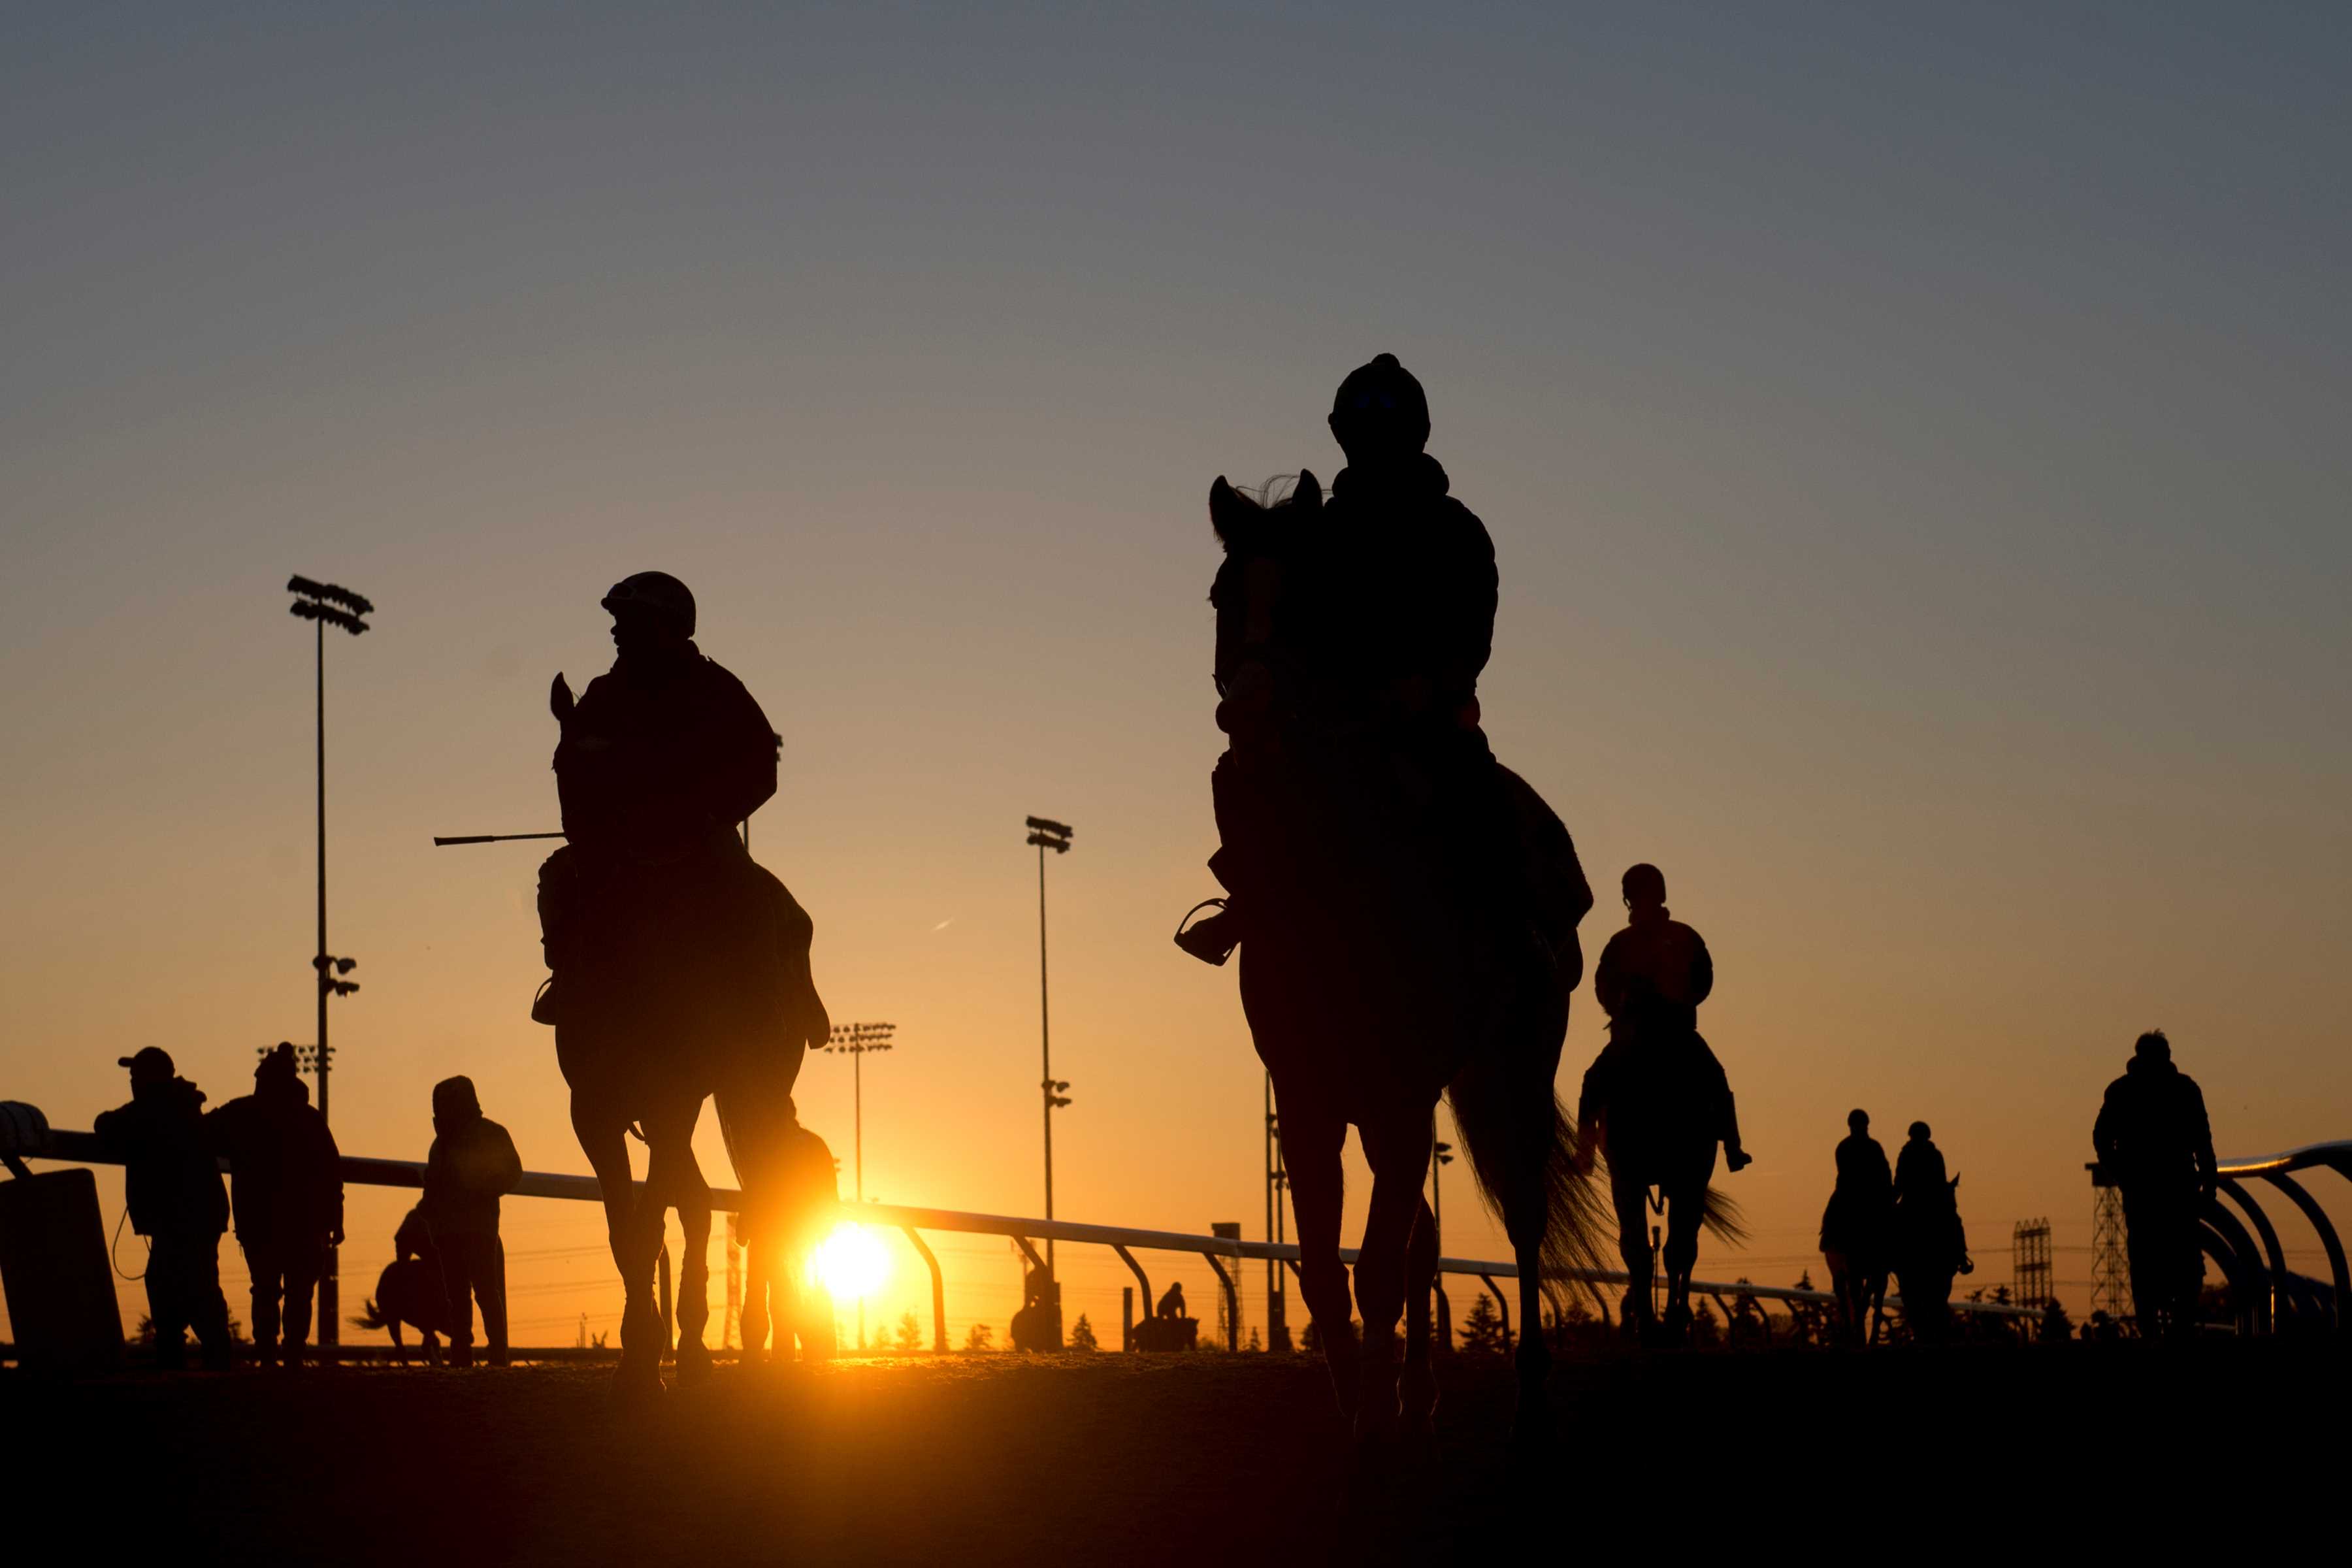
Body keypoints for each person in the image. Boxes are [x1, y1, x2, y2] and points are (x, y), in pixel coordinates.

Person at [1179, 353, 1511, 964]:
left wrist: (1430, 685)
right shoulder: (1313, 537)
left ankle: (1518, 954)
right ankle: (1248, 901)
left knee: (1485, 825)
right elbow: (1287, 630)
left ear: (1414, 430)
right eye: (1359, 419)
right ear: (1341, 432)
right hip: (1331, 728)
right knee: (1243, 774)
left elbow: (1472, 630)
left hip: (1430, 728)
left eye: (1387, 417)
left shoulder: (1455, 529)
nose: (1373, 432)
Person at [536, 570, 781, 1026]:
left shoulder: (716, 690)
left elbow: (761, 770)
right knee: (556, 878)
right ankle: (567, 984)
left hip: (700, 843)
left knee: (750, 901)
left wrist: (702, 819)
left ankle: (769, 1012)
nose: (615, 631)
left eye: (627, 620)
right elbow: (575, 771)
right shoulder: (602, 695)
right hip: (619, 848)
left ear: (664, 624)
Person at [1589, 864, 1750, 1171]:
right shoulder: (1635, 942)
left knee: (1715, 1076)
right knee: (1714, 1077)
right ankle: (1733, 1146)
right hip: (1657, 1034)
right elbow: (1604, 987)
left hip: (1664, 1034)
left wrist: (1662, 1001)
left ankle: (1733, 1145)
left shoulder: (1654, 940)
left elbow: (1702, 980)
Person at [204, 1043, 342, 1368]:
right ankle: (292, 1355)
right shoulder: (309, 1119)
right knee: (298, 1293)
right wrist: (335, 1218)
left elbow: (201, 1134)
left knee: (266, 1289)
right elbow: (331, 1171)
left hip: (260, 1224)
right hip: (305, 1225)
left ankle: (267, 1355)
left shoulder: (242, 1114)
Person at [93, 1048, 233, 1369]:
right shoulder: (183, 1106)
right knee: (197, 1289)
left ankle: (186, 1367)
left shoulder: (152, 1109)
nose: (132, 1082)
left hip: (179, 1221)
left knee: (175, 1291)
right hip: (199, 1216)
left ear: (147, 1079)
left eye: (135, 1076)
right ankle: (212, 1365)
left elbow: (108, 1125)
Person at [2092, 1030, 2217, 1338]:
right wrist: (2209, 1183)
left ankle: (2150, 1325)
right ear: (2168, 1057)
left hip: (2142, 1189)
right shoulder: (2186, 1089)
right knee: (2184, 1255)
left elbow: (2102, 1140)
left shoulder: (2121, 1091)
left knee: (2144, 1255)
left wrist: (2122, 1173)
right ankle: (2179, 1322)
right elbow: (2203, 1141)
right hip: (2179, 1187)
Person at [420, 1076, 522, 1367]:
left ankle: (495, 1354)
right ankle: (465, 1354)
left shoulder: (485, 1135)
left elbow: (512, 1172)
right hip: (456, 1229)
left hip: (477, 1228)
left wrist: (477, 1188)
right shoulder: (442, 1143)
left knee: (484, 1292)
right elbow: (435, 1184)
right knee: (460, 1295)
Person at [1818, 1109, 1892, 1345]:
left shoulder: (1872, 1147)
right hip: (1851, 1193)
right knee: (1834, 1208)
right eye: (1857, 1125)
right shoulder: (1846, 1147)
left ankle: (1891, 1249)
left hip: (1868, 1194)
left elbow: (1885, 1172)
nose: (1860, 1128)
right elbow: (1848, 1173)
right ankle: (1830, 1238)